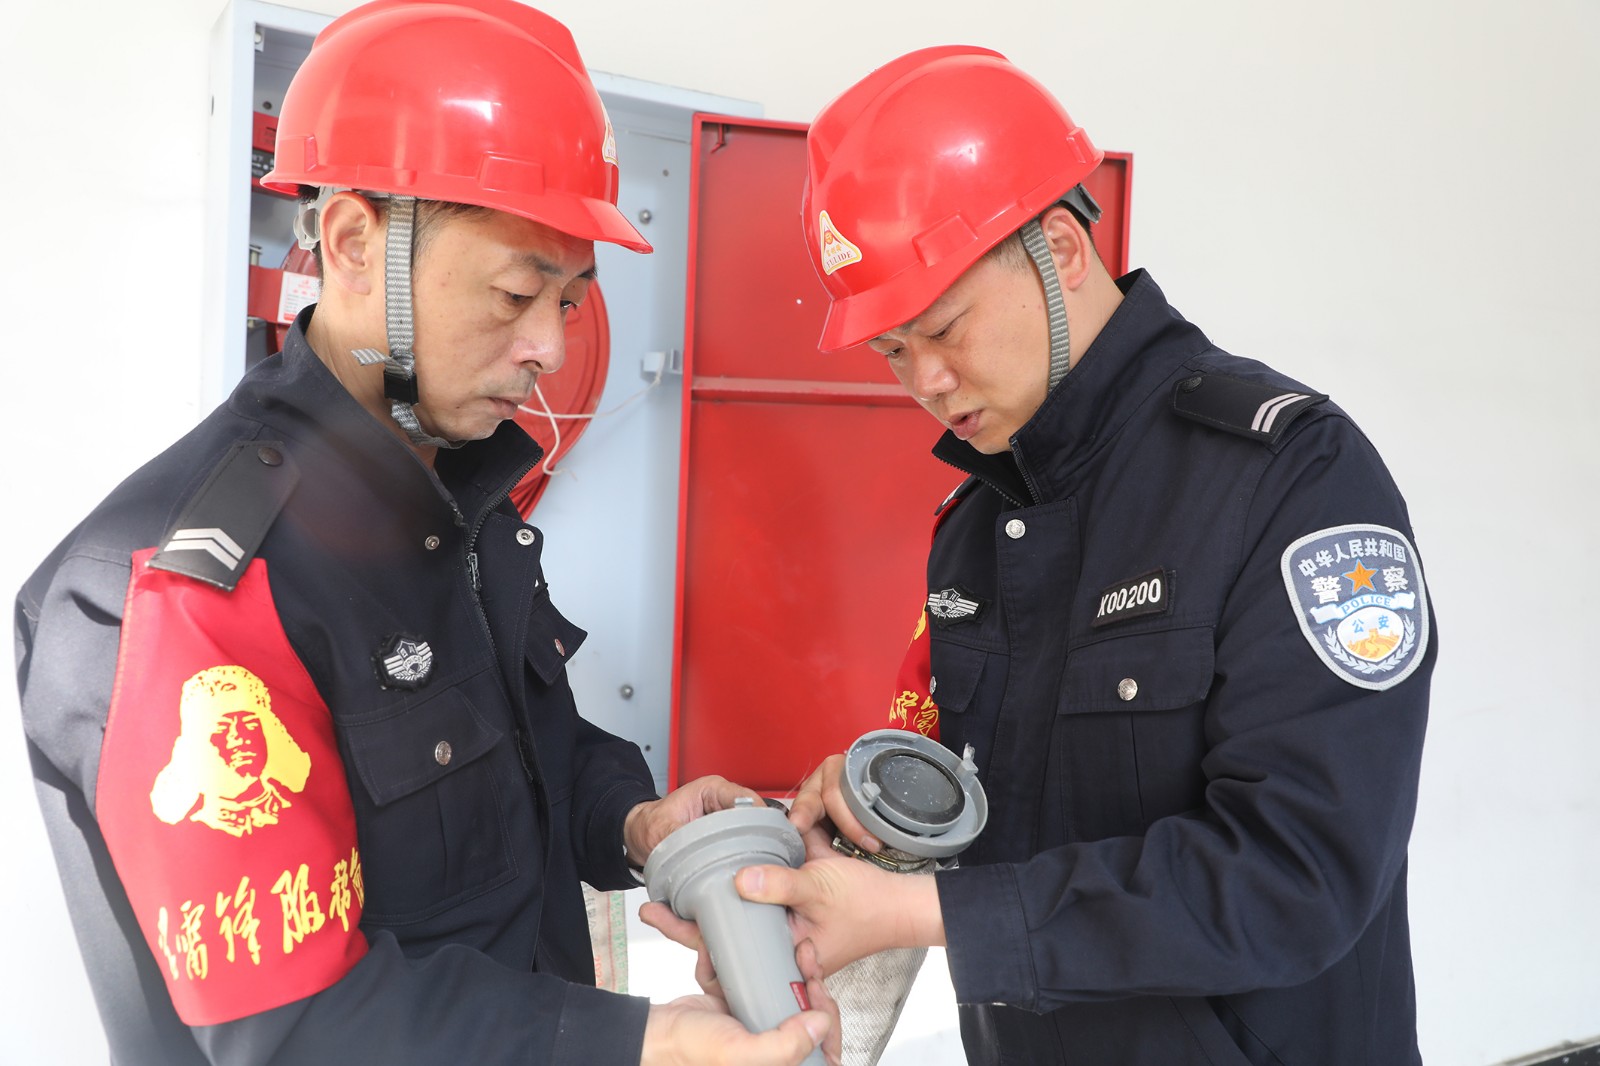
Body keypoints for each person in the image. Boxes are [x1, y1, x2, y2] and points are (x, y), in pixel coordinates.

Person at [13, 2, 834, 1063]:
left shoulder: (454, 493)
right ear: (355, 243)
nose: (548, 347)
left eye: (569, 302)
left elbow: (523, 753)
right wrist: (647, 1045)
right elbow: (294, 1027)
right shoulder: (190, 592)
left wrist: (636, 823)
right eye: (516, 292)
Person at [728, 45, 1435, 1065]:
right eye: (892, 352)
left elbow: (1299, 874)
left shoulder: (1290, 475)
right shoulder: (977, 524)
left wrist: (927, 914)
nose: (925, 381)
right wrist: (877, 814)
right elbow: (1007, 817)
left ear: (1058, 246)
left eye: (944, 327)